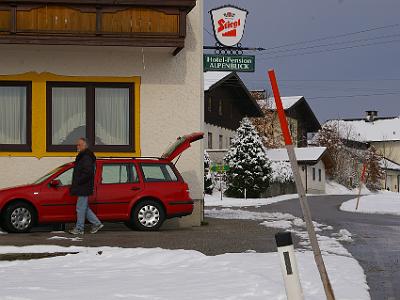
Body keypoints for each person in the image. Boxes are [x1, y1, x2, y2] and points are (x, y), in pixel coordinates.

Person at [69, 138, 103, 235]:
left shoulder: (86, 157)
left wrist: (78, 181)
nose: (77, 147)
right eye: (77, 145)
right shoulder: (83, 156)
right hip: (83, 186)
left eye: (79, 145)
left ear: (85, 146)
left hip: (83, 186)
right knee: (84, 207)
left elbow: (88, 173)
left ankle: (79, 228)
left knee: (80, 208)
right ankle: (96, 223)